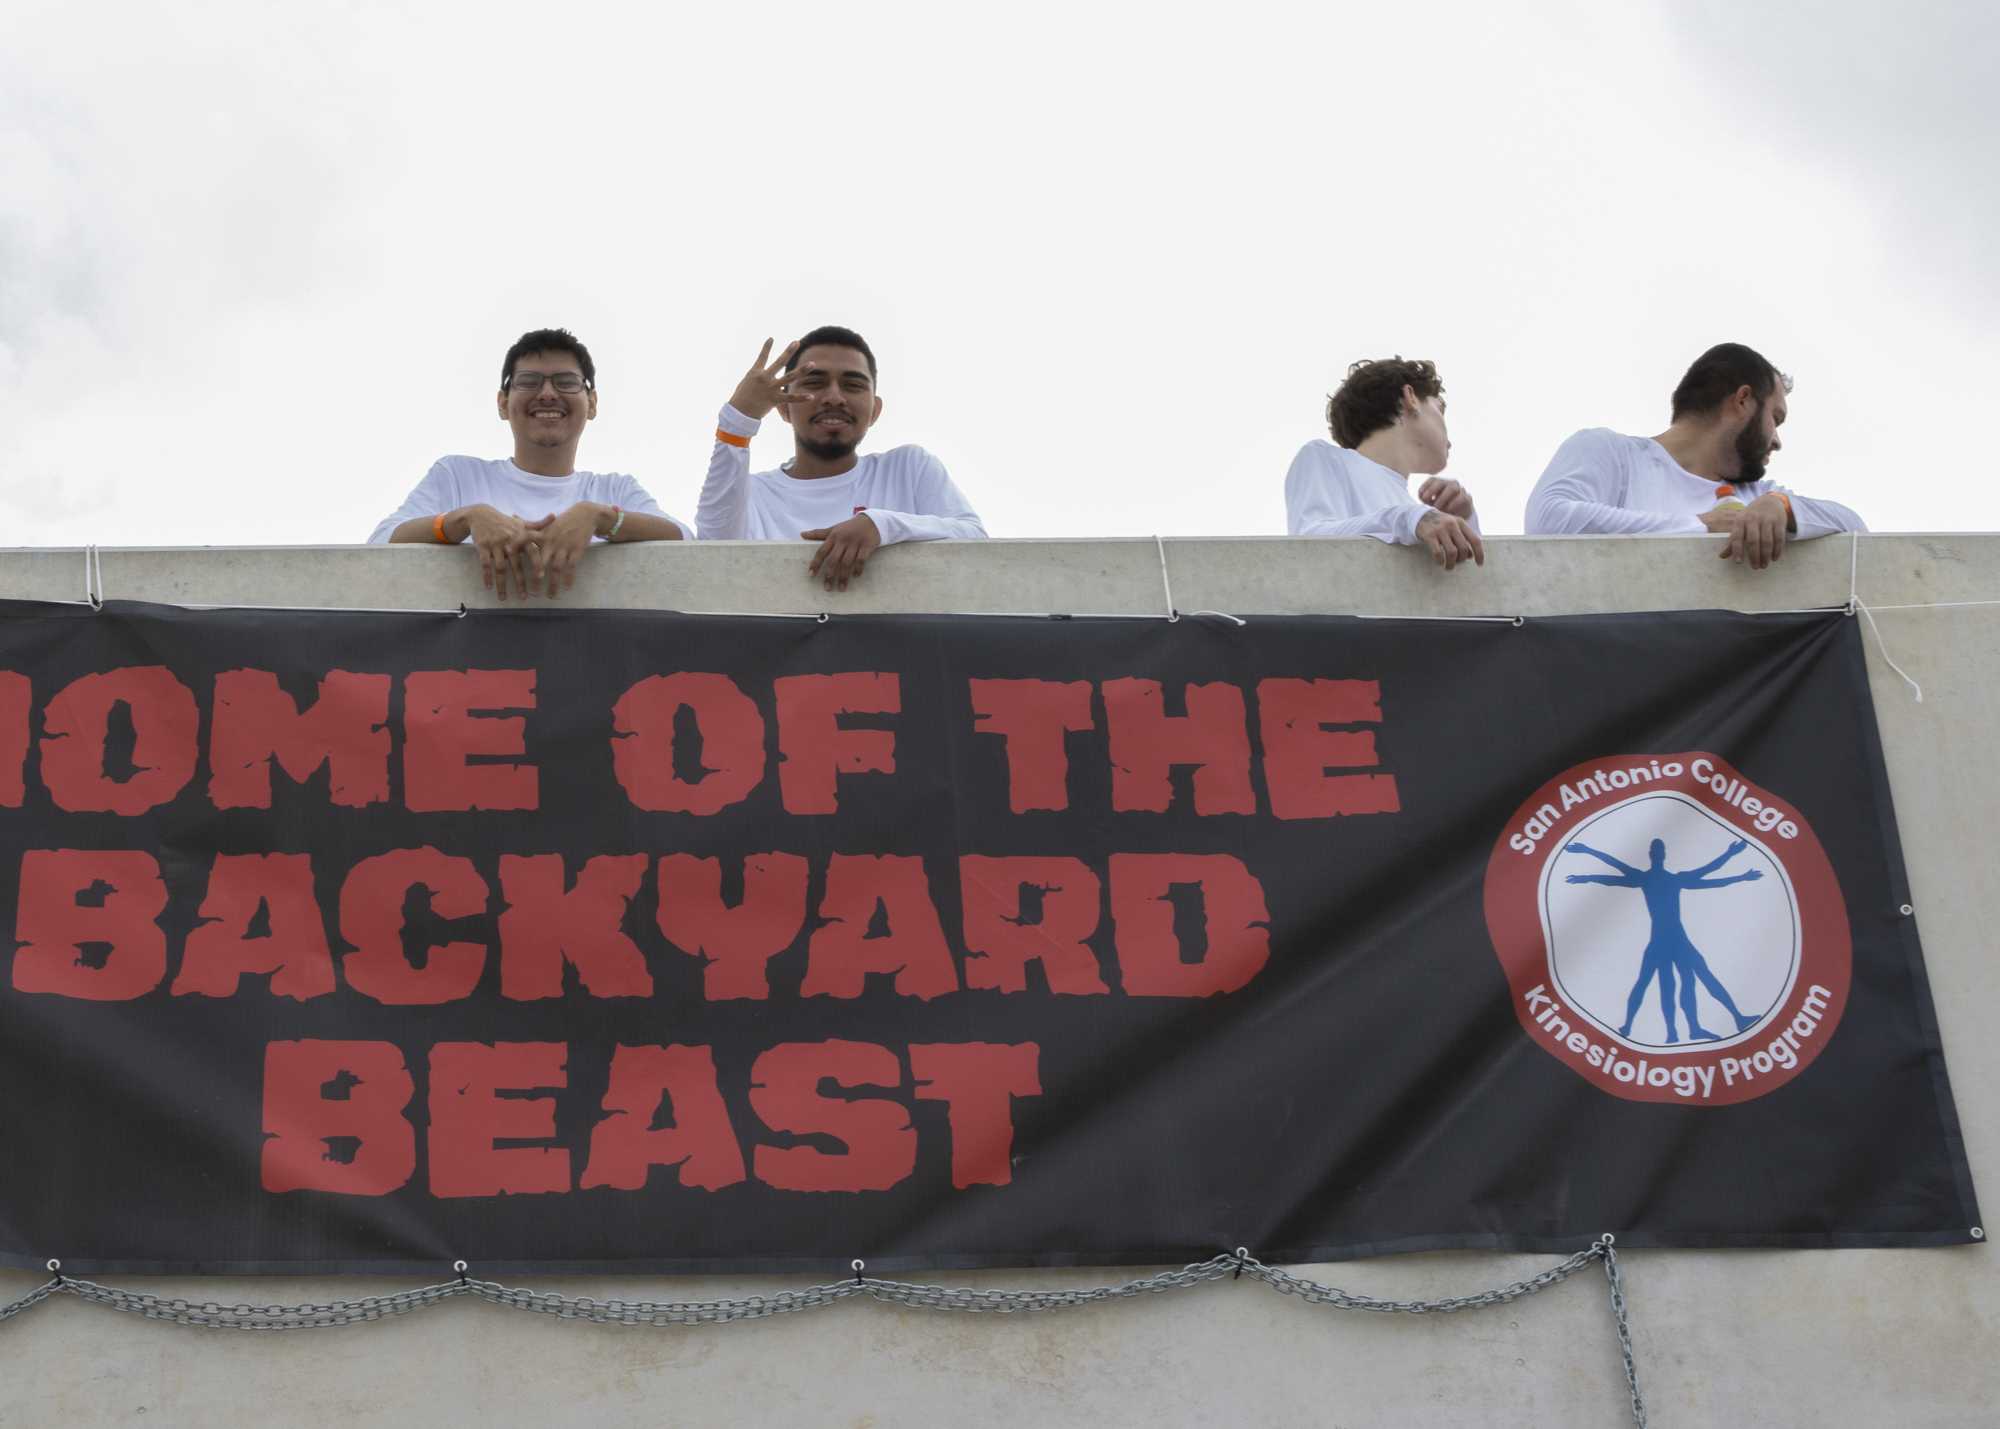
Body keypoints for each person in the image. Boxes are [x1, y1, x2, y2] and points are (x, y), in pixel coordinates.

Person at [370, 328, 690, 599]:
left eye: (566, 381)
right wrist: (465, 519)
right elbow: (380, 542)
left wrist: (601, 518)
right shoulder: (457, 476)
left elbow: (688, 542)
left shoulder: (615, 490)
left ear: (592, 403)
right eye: (528, 381)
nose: (547, 394)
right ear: (502, 403)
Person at [1523, 342, 1865, 569]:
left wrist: (1783, 507)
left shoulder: (1758, 498)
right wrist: (1700, 526)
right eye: (1775, 419)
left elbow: (1858, 536)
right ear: (1743, 400)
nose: (1777, 442)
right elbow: (1548, 522)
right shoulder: (1613, 453)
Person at [699, 326, 985, 591]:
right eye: (815, 382)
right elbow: (710, 553)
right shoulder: (752, 493)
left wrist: (881, 525)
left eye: (852, 385)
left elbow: (976, 541)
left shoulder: (908, 468)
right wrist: (737, 422)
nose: (834, 397)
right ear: (783, 408)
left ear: (875, 410)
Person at [1284, 357, 1483, 571]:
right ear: (1411, 397)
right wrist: (1409, 518)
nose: (1449, 438)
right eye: (1440, 408)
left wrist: (1465, 520)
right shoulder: (1325, 458)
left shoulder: (1417, 516)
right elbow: (1309, 544)